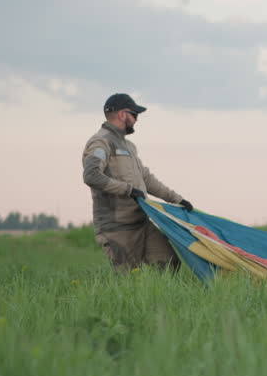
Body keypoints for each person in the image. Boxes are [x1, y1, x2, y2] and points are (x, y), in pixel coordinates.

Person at [81, 93, 194, 271]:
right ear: (122, 114)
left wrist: (177, 200)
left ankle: (163, 300)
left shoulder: (128, 146)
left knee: (170, 265)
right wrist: (128, 190)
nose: (136, 119)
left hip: (142, 223)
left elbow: (146, 178)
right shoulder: (100, 142)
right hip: (117, 228)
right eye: (134, 114)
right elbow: (91, 175)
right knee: (126, 280)